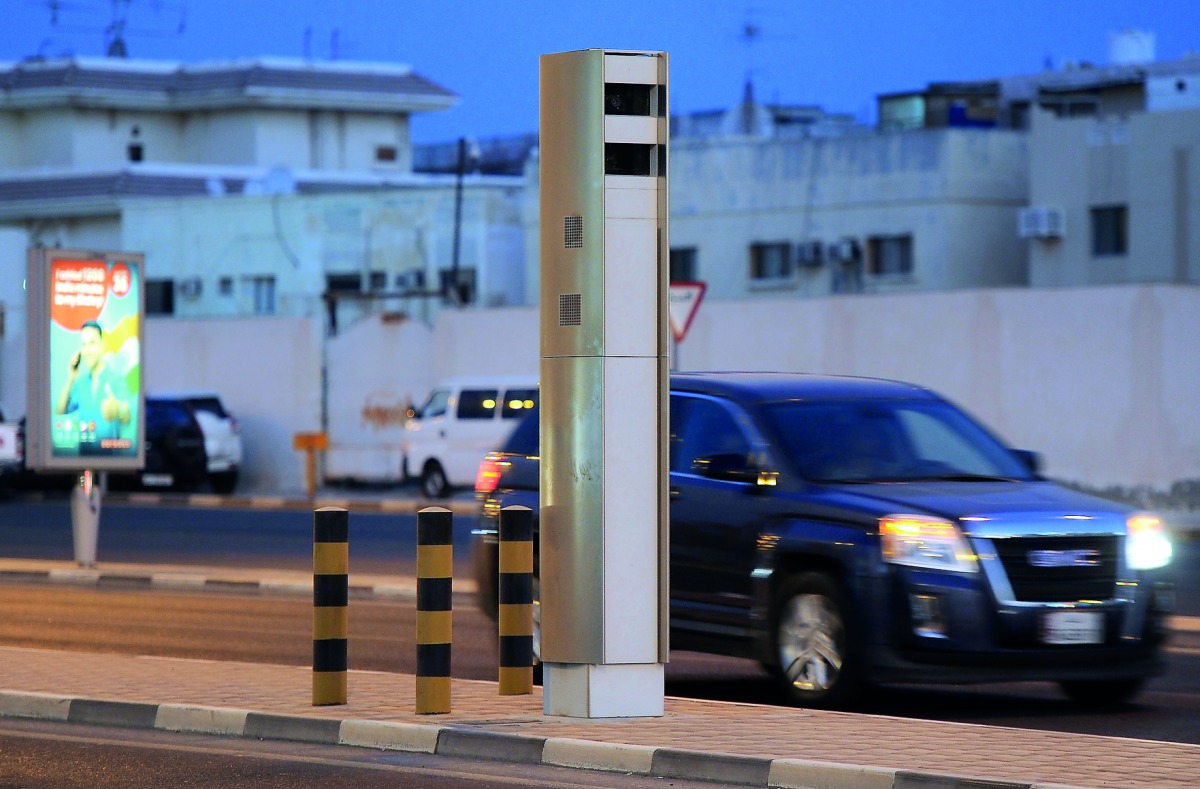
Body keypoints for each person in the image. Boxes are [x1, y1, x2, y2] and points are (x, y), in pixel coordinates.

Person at [55, 320, 131, 441]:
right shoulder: (80, 383)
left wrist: (118, 410)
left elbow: (127, 415)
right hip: (83, 457)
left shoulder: (116, 380)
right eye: (84, 344)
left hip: (111, 457)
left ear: (102, 345)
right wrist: (71, 378)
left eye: (92, 343)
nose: (87, 350)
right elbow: (60, 411)